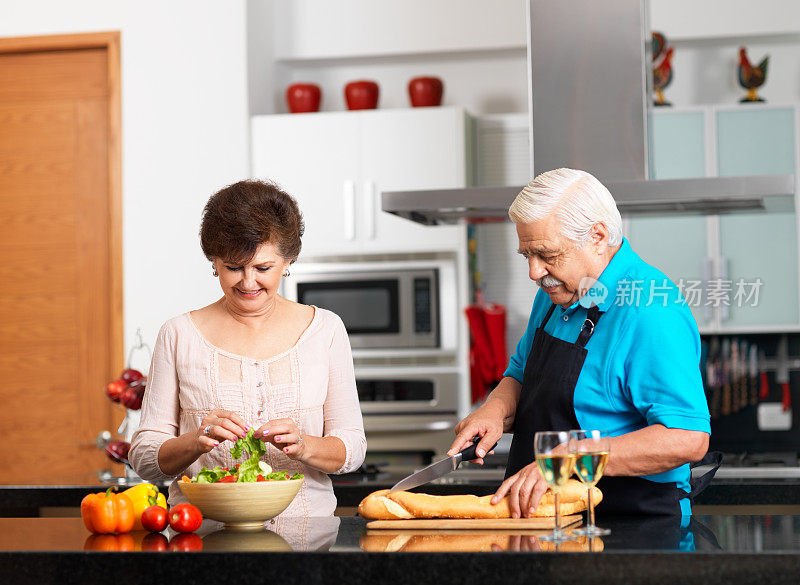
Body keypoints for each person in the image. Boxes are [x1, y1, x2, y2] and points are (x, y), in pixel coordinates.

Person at [448, 168, 715, 517]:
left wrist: (573, 456)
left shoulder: (651, 310)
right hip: (541, 526)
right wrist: (495, 410)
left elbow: (688, 438)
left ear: (598, 236)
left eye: (547, 254)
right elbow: (520, 375)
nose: (534, 272)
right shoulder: (556, 292)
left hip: (628, 529)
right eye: (526, 255)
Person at [130, 179, 366, 517]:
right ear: (214, 262)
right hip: (201, 538)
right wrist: (196, 441)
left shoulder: (325, 330)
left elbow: (353, 449)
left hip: (305, 542)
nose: (248, 282)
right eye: (234, 267)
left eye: (263, 268)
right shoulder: (178, 334)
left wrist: (304, 445)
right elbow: (144, 459)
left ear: (288, 261)